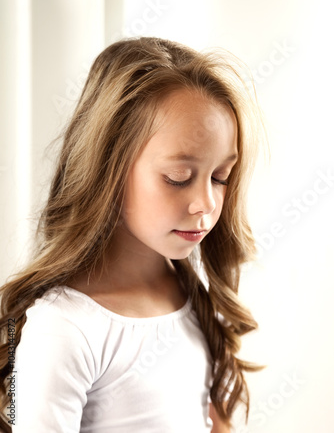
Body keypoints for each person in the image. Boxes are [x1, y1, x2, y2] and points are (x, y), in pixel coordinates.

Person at [0, 37, 263, 432]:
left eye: (220, 177)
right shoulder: (63, 328)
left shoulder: (196, 297)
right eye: (178, 178)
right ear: (107, 167)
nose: (206, 203)